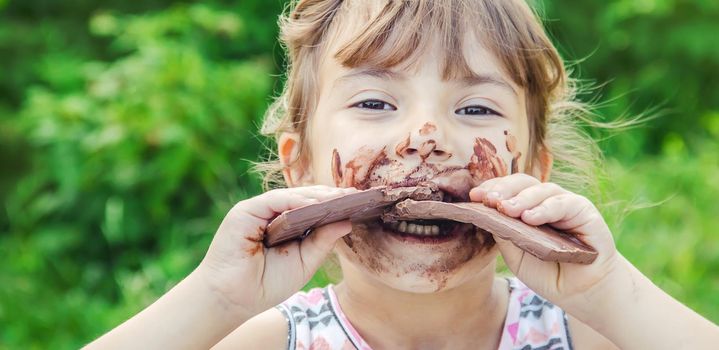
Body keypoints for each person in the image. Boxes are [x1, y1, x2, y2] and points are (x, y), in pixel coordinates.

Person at [87, 0, 719, 349]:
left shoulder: (587, 335)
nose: (427, 138)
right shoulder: (264, 343)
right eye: (374, 103)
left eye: (475, 108)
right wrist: (216, 299)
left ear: (531, 173)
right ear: (298, 166)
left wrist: (609, 293)